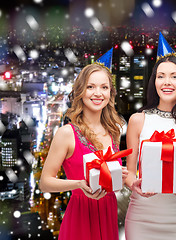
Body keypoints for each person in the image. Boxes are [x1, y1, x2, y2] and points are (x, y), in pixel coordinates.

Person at [40, 48, 127, 240]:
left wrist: (120, 177)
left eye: (104, 87)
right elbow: (45, 182)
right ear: (80, 91)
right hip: (80, 216)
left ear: (110, 93)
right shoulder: (66, 133)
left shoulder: (114, 131)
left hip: (108, 213)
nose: (98, 93)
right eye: (91, 87)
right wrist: (79, 184)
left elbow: (112, 183)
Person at [124, 32, 176, 240]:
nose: (167, 82)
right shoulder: (137, 120)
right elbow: (130, 173)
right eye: (161, 76)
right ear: (154, 81)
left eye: (174, 76)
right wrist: (135, 185)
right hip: (142, 213)